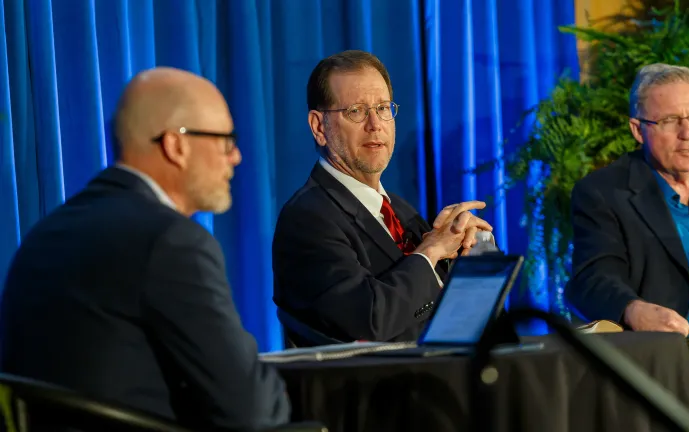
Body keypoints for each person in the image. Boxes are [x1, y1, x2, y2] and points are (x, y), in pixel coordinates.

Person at [0, 67, 290, 430]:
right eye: (226, 141)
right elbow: (252, 411)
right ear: (176, 145)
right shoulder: (171, 241)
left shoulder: (46, 232)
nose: (236, 158)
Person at [568, 63, 689, 431]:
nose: (687, 133)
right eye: (670, 120)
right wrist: (633, 309)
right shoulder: (605, 194)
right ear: (638, 130)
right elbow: (591, 278)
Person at [272, 50, 494, 343]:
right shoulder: (308, 218)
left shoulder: (402, 213)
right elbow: (368, 321)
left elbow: (463, 323)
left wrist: (476, 256)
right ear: (319, 127)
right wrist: (430, 252)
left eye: (383, 108)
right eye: (356, 111)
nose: (375, 124)